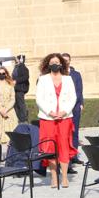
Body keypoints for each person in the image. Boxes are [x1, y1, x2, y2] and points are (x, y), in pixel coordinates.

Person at [36, 53, 77, 188]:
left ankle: (64, 177)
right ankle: (54, 177)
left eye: (57, 62)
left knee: (64, 146)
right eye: (52, 62)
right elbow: (39, 99)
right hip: (48, 118)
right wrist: (51, 112)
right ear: (48, 64)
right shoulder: (42, 79)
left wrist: (64, 111)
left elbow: (73, 98)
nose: (55, 64)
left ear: (61, 64)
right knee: (50, 148)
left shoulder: (68, 79)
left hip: (64, 118)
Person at [62, 53, 84, 169]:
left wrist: (81, 103)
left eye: (67, 60)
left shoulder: (76, 74)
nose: (65, 62)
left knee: (75, 132)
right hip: (63, 110)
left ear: (70, 61)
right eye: (63, 60)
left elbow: (79, 91)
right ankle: (66, 158)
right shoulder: (59, 74)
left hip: (75, 108)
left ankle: (74, 155)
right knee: (65, 133)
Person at [0, 67, 17, 144]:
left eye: (3, 73)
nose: (1, 75)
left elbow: (13, 99)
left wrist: (6, 109)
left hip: (9, 111)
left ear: (6, 74)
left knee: (11, 138)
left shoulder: (10, 84)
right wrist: (0, 109)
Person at [12, 55, 30, 123]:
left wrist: (16, 81)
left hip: (20, 89)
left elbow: (26, 77)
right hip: (15, 88)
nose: (15, 60)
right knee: (16, 104)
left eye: (17, 59)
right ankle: (18, 118)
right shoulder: (16, 67)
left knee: (21, 104)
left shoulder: (22, 67)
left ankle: (23, 119)